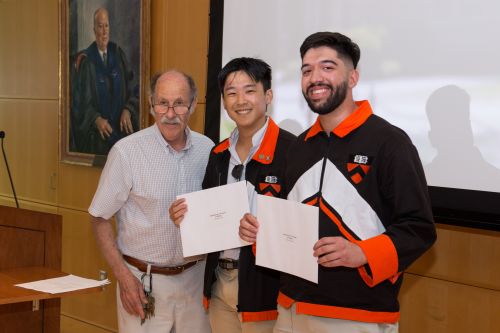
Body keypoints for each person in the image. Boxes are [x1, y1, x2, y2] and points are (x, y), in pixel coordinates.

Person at [240, 32, 437, 333]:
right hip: (289, 310)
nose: (315, 77)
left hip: (356, 318)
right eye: (307, 70)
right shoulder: (300, 146)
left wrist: (363, 253)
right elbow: (288, 222)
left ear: (353, 77)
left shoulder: (390, 143)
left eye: (328, 67)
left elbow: (419, 229)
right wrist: (259, 232)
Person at [170, 57, 296, 333]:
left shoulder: (292, 152)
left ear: (268, 95)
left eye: (250, 90)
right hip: (219, 285)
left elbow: (300, 230)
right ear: (224, 103)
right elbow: (208, 220)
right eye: (231, 93)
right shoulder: (217, 155)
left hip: (267, 289)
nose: (241, 100)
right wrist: (185, 219)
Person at [89, 70, 213, 333]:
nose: (170, 113)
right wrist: (123, 277)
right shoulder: (127, 152)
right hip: (143, 285)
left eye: (179, 103)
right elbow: (99, 217)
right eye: (162, 103)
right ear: (150, 104)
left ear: (192, 104)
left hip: (196, 282)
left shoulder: (208, 150)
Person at [71, 7, 139, 155]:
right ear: (94, 29)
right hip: (99, 139)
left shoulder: (118, 54)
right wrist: (95, 119)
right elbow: (79, 103)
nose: (104, 31)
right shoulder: (85, 61)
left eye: (106, 25)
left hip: (121, 136)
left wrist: (128, 109)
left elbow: (134, 87)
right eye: (100, 26)